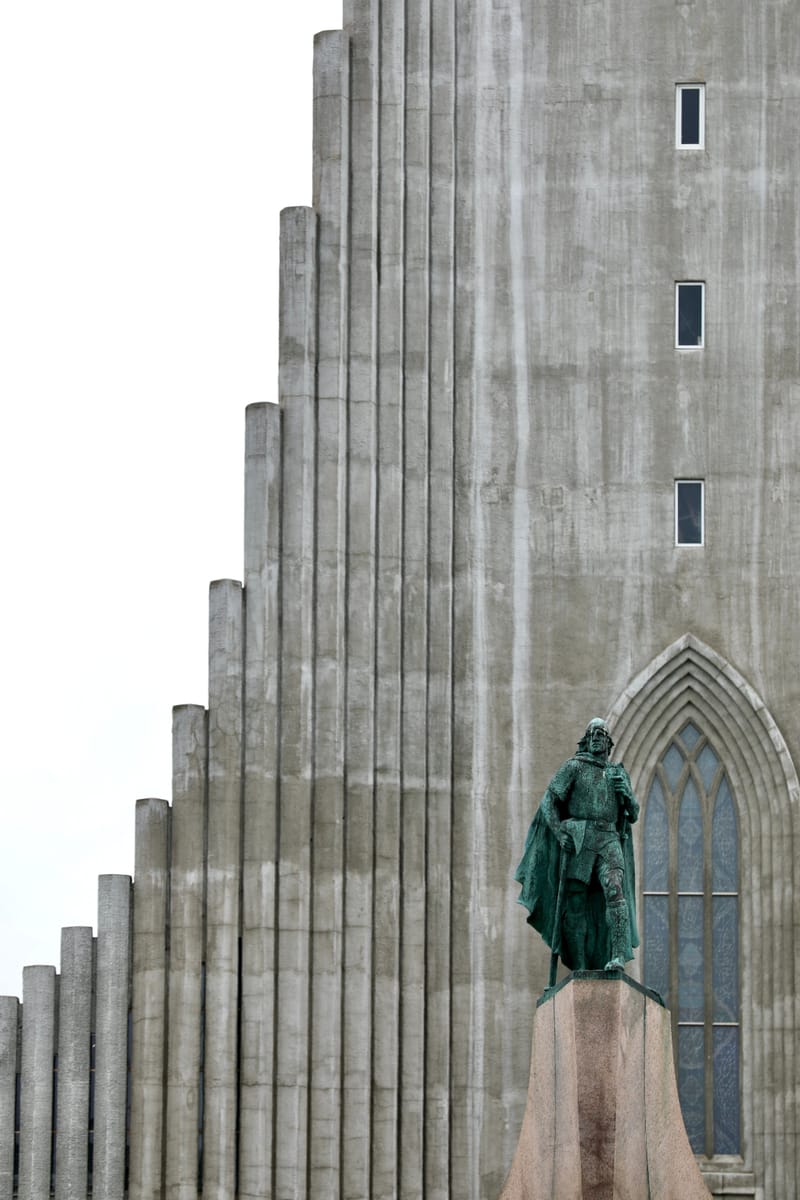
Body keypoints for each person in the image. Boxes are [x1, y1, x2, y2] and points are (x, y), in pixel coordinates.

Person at [514, 718, 639, 974]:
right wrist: (559, 831)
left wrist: (625, 793)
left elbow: (633, 813)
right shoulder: (574, 767)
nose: (596, 737)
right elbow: (549, 801)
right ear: (586, 739)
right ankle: (580, 964)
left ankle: (616, 956)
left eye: (601, 733)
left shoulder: (617, 773)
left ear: (608, 742)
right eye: (592, 733)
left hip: (608, 838)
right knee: (576, 902)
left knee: (615, 890)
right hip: (581, 837)